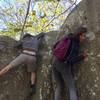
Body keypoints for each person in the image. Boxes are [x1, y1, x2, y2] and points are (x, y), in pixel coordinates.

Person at [52, 27, 88, 100]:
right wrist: (82, 56)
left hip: (55, 62)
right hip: (64, 65)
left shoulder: (68, 36)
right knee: (72, 88)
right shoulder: (75, 44)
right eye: (84, 36)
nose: (84, 38)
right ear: (79, 35)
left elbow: (55, 45)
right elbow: (71, 60)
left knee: (59, 86)